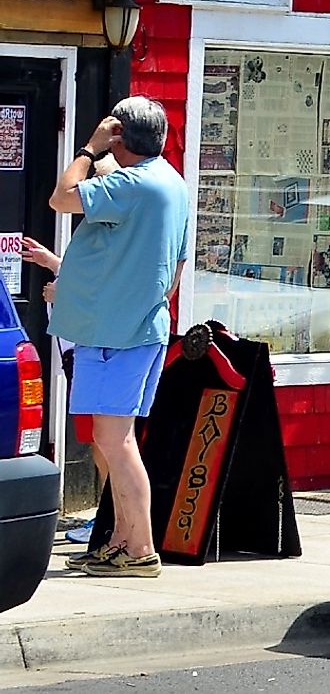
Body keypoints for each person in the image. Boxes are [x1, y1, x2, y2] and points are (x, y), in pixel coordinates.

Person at [45, 99, 191, 578]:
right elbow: (177, 268)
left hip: (115, 333)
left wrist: (88, 148)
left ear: (119, 138)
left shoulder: (129, 185)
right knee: (114, 442)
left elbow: (62, 197)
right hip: (141, 327)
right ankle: (121, 539)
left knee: (116, 442)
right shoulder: (170, 183)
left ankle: (140, 549)